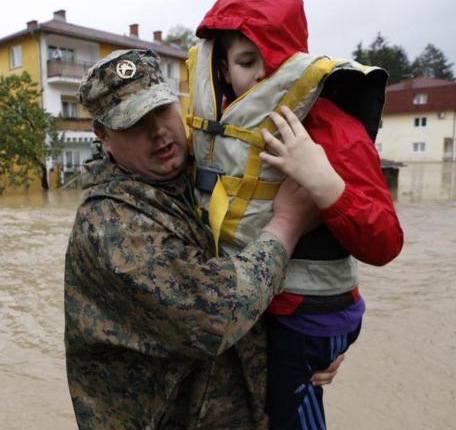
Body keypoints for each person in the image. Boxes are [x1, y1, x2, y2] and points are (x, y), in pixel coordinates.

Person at [65, 49, 341, 430]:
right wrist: (288, 225)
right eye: (134, 123)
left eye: (161, 110)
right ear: (104, 136)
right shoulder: (110, 223)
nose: (158, 131)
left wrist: (317, 338)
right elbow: (218, 316)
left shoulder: (206, 171)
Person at [190, 1, 404, 428]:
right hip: (257, 313)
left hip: (308, 318)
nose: (262, 76)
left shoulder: (333, 130)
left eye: (276, 62)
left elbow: (385, 242)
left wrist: (324, 182)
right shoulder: (216, 130)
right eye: (247, 62)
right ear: (223, 70)